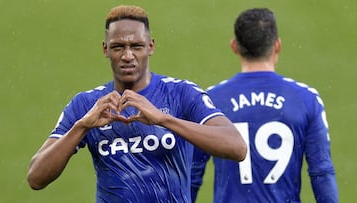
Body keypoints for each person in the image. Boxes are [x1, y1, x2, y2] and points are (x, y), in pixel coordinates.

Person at [27, 5, 247, 203]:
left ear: (150, 46)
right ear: (105, 49)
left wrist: (164, 119)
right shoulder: (87, 104)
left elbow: (237, 147)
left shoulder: (181, 93)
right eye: (118, 47)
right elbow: (36, 178)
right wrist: (82, 126)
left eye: (137, 46)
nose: (128, 55)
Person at [191, 8, 338, 203]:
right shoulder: (305, 99)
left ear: (234, 46)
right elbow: (321, 172)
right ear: (277, 45)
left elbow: (191, 173)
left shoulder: (212, 100)